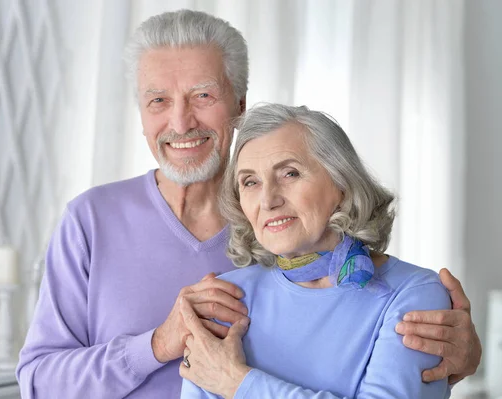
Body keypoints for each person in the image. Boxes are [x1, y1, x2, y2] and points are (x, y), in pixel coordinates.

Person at [16, 9, 481, 399]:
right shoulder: (91, 220)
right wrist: (157, 344)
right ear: (140, 114)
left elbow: (381, 331)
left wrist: (459, 357)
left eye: (203, 95)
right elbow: (37, 381)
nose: (181, 122)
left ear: (238, 103)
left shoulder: (288, 235)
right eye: (158, 100)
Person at [179, 103, 453, 399]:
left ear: (342, 183)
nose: (268, 200)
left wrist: (237, 383)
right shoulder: (226, 298)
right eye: (250, 182)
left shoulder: (415, 294)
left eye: (290, 174)